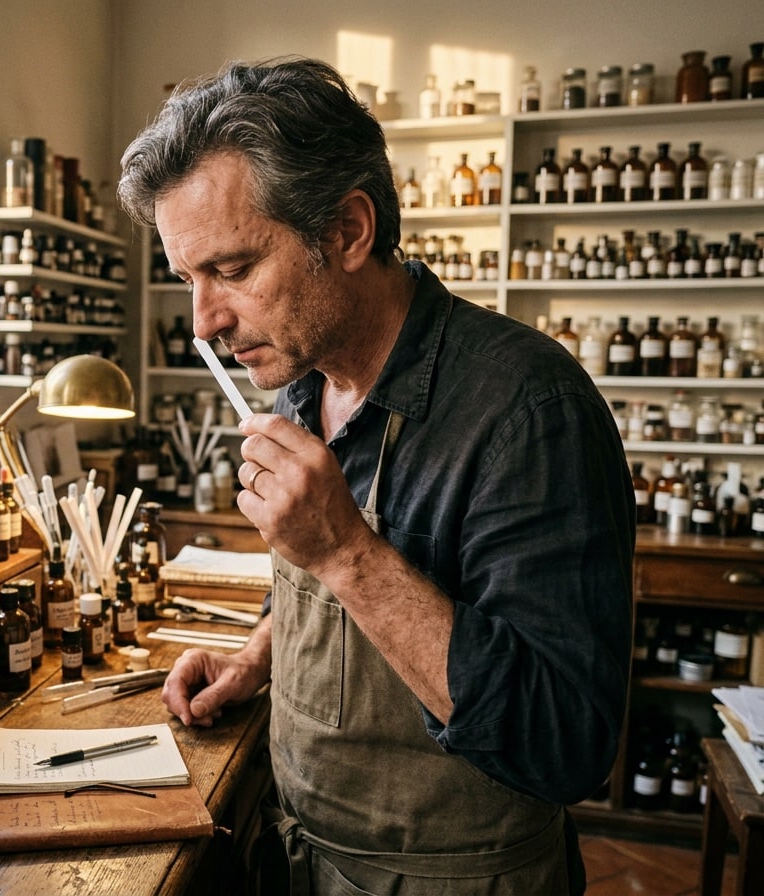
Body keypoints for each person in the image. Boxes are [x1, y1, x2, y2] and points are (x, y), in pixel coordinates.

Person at [118, 57, 634, 895]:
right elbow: (315, 592)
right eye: (188, 279)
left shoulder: (528, 409)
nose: (204, 323)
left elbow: (564, 744)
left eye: (235, 269)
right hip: (295, 852)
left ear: (348, 231)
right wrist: (257, 658)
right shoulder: (298, 383)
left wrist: (348, 552)